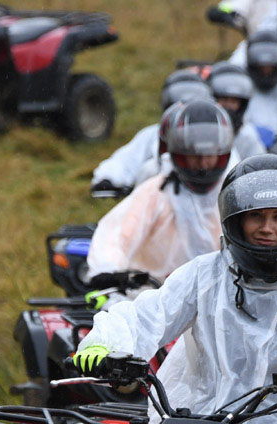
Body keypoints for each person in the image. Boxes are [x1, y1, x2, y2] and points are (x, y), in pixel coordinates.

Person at [75, 154, 277, 424]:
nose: (266, 228)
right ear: (236, 219)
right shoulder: (204, 274)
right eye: (256, 216)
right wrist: (107, 345)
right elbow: (149, 315)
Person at [86, 100, 235, 289]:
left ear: (223, 155)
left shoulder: (232, 194)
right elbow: (118, 235)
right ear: (179, 154)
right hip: (153, 299)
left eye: (210, 155)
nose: (203, 164)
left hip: (219, 298)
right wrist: (108, 270)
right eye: (195, 156)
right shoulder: (156, 193)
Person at [90, 71, 212, 194]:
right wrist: (108, 178)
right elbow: (126, 161)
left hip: (210, 205)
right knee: (150, 169)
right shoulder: (152, 135)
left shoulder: (217, 139)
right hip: (160, 203)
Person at [208, 62, 267, 160]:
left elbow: (260, 165)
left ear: (242, 104)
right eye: (223, 99)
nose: (228, 105)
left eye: (234, 101)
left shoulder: (247, 136)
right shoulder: (203, 132)